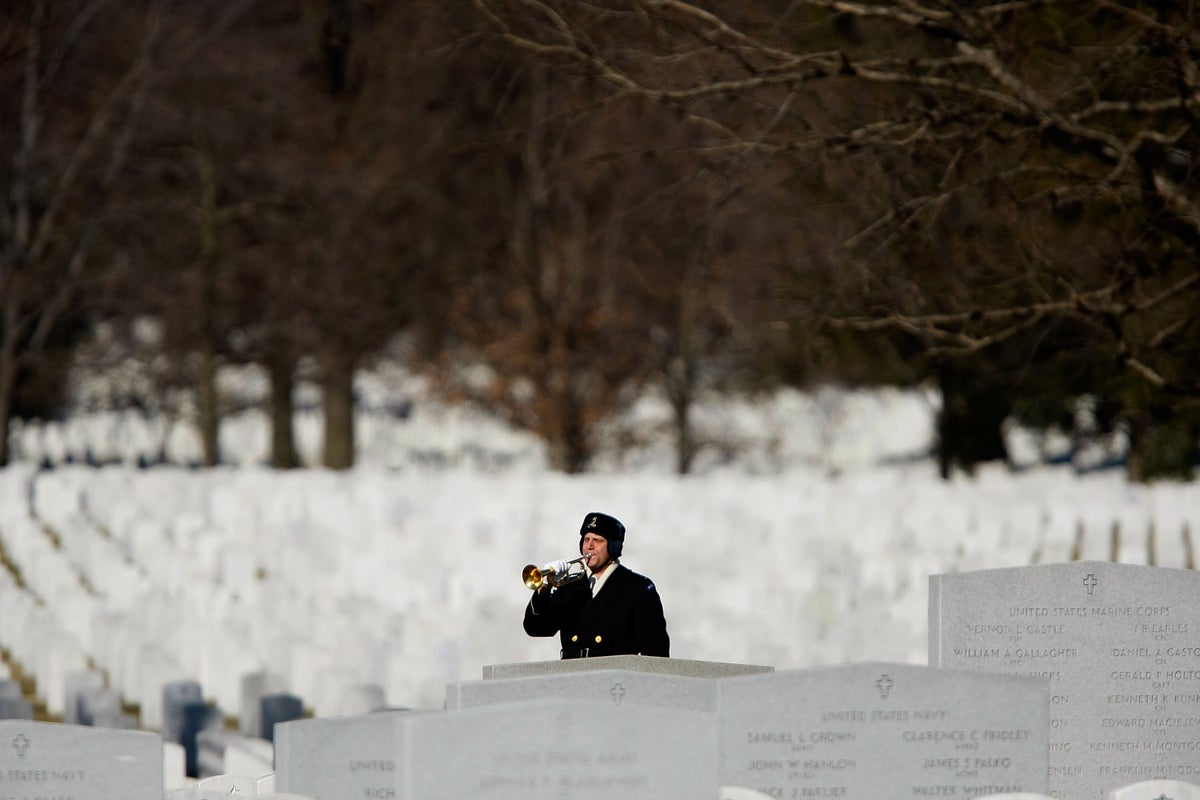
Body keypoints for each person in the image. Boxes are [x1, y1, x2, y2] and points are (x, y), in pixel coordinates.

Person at [523, 512, 669, 659]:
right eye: (586, 539)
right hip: (571, 676)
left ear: (613, 546)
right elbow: (536, 628)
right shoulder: (570, 587)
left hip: (614, 677)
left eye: (597, 540)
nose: (589, 546)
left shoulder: (637, 588)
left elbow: (655, 652)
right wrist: (545, 587)